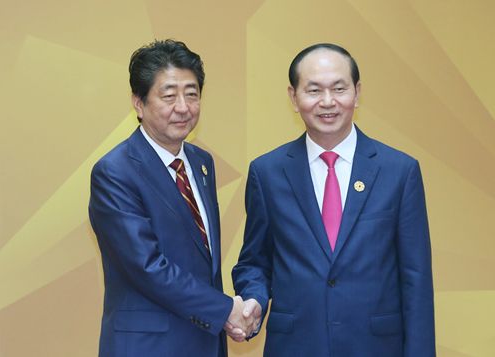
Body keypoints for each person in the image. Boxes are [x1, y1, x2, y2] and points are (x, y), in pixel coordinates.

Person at [232, 43, 436, 356]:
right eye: (313, 90)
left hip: (376, 346)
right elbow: (255, 262)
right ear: (293, 97)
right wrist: (253, 300)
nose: (328, 102)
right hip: (295, 346)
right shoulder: (267, 172)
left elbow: (416, 280)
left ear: (357, 92)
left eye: (339, 88)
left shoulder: (399, 171)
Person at [89, 39, 254, 357]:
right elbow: (147, 266)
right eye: (168, 96)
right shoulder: (115, 172)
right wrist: (225, 310)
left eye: (192, 94)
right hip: (148, 347)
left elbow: (200, 258)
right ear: (139, 103)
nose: (183, 107)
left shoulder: (201, 163)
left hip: (205, 341)